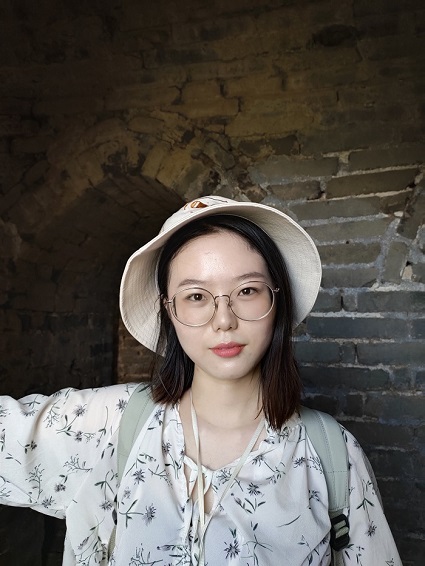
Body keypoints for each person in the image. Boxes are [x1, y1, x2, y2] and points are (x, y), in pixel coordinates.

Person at [0, 195, 402, 566]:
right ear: (169, 311)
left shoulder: (332, 454)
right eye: (196, 296)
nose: (223, 320)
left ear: (276, 300)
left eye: (247, 290)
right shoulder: (107, 424)